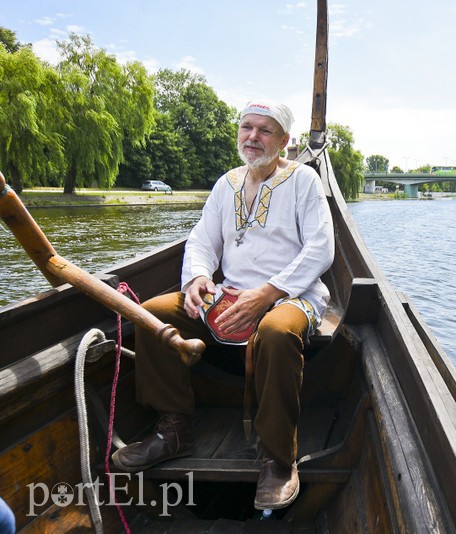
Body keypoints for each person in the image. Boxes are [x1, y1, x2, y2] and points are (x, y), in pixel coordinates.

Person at [112, 99, 335, 510]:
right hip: (229, 292)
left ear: (284, 141)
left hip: (293, 294)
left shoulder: (303, 181)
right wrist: (198, 277)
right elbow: (201, 239)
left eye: (264, 130)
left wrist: (269, 293)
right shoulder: (227, 182)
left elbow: (321, 249)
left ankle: (278, 458)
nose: (253, 137)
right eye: (246, 127)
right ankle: (173, 430)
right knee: (153, 314)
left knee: (275, 331)